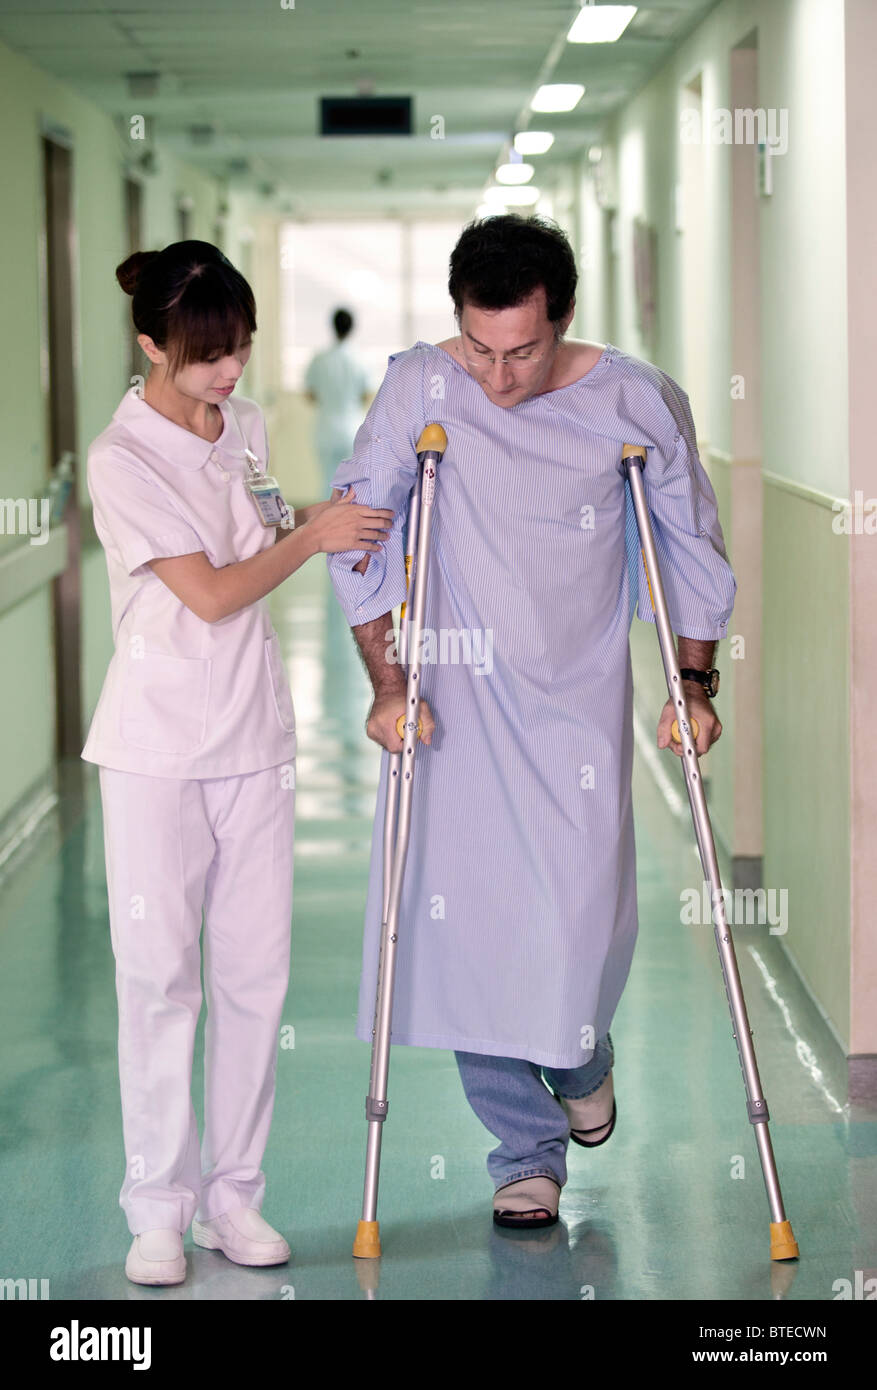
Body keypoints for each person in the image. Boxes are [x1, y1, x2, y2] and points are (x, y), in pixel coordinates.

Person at [326, 214, 736, 1230]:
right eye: (479, 349)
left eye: (521, 351)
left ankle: (579, 1055)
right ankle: (524, 1153)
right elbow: (358, 540)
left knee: (572, 921)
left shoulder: (632, 399)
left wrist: (693, 686)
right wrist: (386, 686)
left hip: (575, 702)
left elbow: (687, 548)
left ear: (560, 319)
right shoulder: (421, 385)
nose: (496, 376)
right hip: (450, 702)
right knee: (471, 930)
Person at [81, 240, 393, 1285]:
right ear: (150, 346)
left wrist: (329, 523)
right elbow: (212, 593)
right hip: (158, 749)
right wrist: (310, 543)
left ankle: (234, 1199)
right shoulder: (119, 458)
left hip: (254, 742)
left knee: (255, 978)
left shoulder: (244, 425)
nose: (228, 372)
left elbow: (265, 525)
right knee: (161, 978)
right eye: (206, 354)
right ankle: (157, 1209)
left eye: (241, 348)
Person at [305, 308, 372, 495]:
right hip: (352, 429)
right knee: (351, 485)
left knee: (327, 482)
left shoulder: (319, 359)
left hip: (326, 428)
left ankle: (326, 521)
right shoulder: (360, 359)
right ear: (352, 328)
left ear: (332, 327)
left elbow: (310, 395)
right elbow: (366, 396)